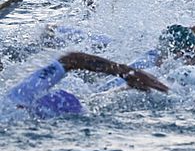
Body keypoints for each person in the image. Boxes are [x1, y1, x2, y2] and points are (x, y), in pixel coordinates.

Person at [4, 51, 168, 118]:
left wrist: (127, 73)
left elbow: (72, 60)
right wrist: (127, 72)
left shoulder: (16, 99)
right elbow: (73, 59)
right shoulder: (18, 97)